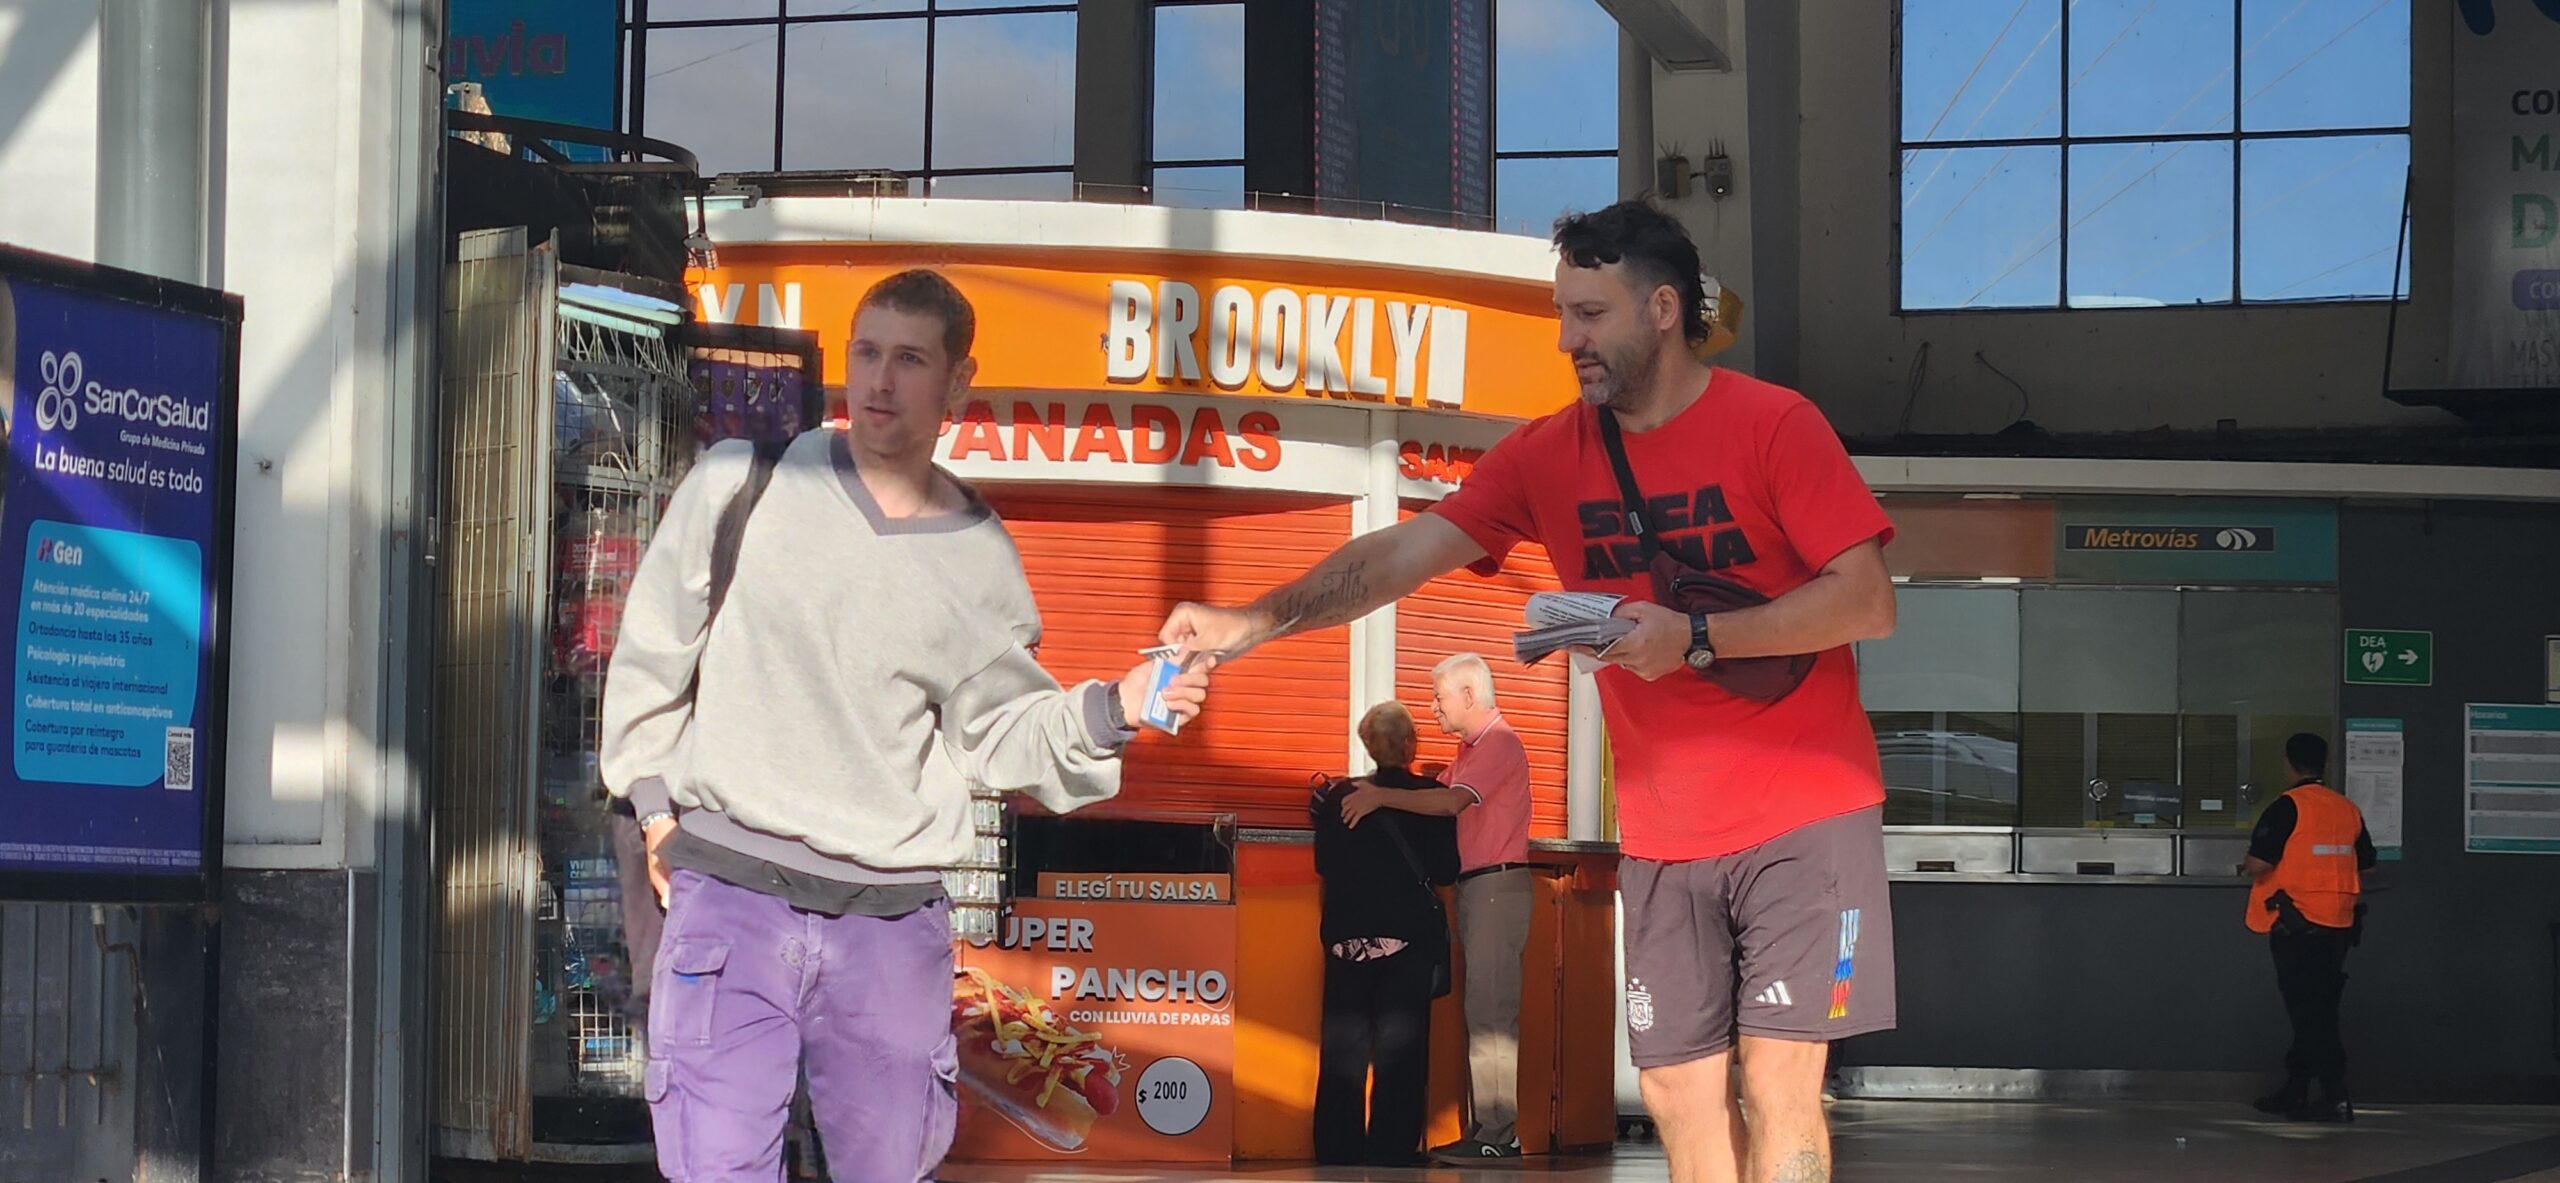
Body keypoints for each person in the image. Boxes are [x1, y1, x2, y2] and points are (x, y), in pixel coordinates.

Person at [1158, 199, 1899, 1183]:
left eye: (1589, 314)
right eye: (1562, 313)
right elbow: (1399, 555)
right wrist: (1251, 621)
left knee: (1776, 1080)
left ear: (1663, 309)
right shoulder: (1547, 455)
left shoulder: (1773, 425)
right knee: (1677, 1089)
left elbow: (1867, 601)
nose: (1566, 340)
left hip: (1806, 809)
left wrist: (1697, 637)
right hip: (1665, 828)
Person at [599, 269, 1214, 1183]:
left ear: (959, 382)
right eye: (868, 352)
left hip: (888, 925)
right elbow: (654, 650)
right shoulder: (743, 480)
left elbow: (1000, 729)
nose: (880, 381)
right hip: (732, 899)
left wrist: (1113, 707)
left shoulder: (980, 557)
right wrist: (654, 807)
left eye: (911, 359)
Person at [1339, 653, 1534, 1163]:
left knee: (1491, 1015)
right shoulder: (1470, 751)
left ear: (1469, 695)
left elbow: (1448, 803)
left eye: (1439, 697)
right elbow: (1430, 795)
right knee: (1481, 1012)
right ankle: (1486, 1129)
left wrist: (1379, 797)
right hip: (1478, 890)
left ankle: (1498, 1136)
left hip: (1495, 888)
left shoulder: (1499, 743)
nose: (1433, 708)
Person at [1312, 702, 1460, 1169]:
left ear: (1368, 746)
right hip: (1403, 941)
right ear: (1410, 744)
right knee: (1401, 1053)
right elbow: (1445, 870)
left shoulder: (1338, 797)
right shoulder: (1430, 797)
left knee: (1343, 1052)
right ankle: (1391, 1150)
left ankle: (1336, 1149)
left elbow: (1324, 864)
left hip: (1346, 942)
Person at [2244, 732, 2376, 1125]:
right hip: (2339, 925)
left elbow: (2259, 864)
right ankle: (2296, 1089)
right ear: (2325, 765)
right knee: (2316, 1008)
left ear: (2288, 765)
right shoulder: (2346, 809)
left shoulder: (2287, 807)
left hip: (2297, 924)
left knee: (2310, 1014)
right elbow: (2368, 865)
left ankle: (2335, 1096)